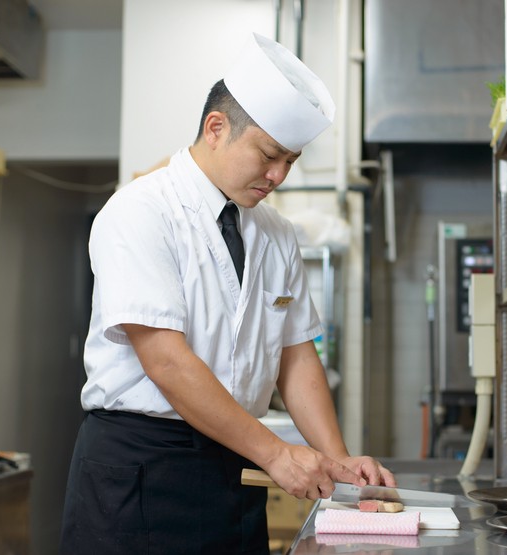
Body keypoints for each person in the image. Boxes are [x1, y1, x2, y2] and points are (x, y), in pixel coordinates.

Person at [59, 32, 396, 555]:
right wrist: (277, 454)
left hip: (236, 465)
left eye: (291, 161)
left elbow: (296, 358)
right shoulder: (140, 211)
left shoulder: (277, 233)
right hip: (141, 473)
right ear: (216, 128)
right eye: (269, 155)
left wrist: (340, 464)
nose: (278, 175)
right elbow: (166, 361)